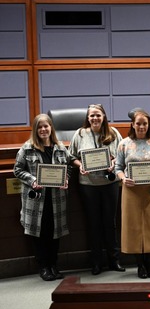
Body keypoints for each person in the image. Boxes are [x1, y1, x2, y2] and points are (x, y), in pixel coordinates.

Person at [69, 104, 125, 275]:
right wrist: (80, 166)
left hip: (110, 183)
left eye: (98, 115)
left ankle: (114, 260)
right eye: (92, 115)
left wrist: (114, 163)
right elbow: (71, 156)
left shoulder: (114, 133)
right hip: (88, 185)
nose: (95, 118)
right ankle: (96, 263)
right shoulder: (79, 134)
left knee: (110, 223)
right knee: (93, 224)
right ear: (87, 117)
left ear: (104, 116)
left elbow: (123, 155)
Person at [13, 114, 71, 281]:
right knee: (39, 233)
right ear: (36, 130)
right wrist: (32, 180)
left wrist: (65, 179)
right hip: (37, 200)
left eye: (46, 126)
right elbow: (17, 170)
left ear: (51, 128)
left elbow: (68, 166)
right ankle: (43, 267)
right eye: (40, 127)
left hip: (56, 200)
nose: (44, 129)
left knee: (55, 233)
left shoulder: (60, 148)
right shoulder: (27, 148)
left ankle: (53, 265)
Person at [115, 110, 150, 279]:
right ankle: (140, 265)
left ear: (149, 124)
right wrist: (123, 179)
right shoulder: (124, 144)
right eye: (138, 123)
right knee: (134, 228)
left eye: (144, 123)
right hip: (131, 191)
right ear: (132, 124)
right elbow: (118, 168)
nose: (141, 126)